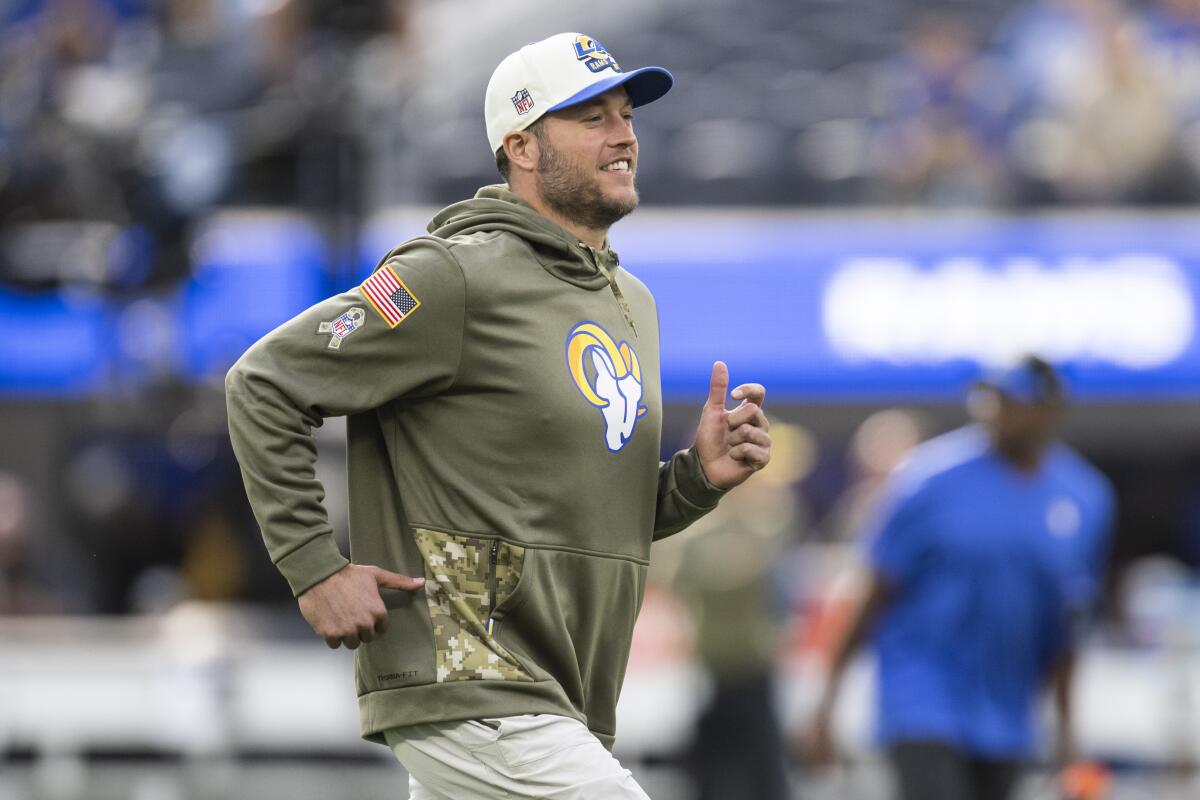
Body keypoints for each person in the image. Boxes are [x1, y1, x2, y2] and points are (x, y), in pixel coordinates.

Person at [224, 32, 771, 800]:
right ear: (521, 145)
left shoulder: (631, 302)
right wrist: (314, 567)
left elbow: (579, 518)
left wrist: (693, 481)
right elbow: (262, 383)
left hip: (562, 693)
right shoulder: (451, 275)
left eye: (626, 114)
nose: (623, 135)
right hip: (474, 676)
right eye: (590, 116)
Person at [808, 356, 1115, 800]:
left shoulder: (1083, 499)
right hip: (922, 698)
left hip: (1008, 710)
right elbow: (873, 591)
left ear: (1050, 409)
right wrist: (826, 701)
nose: (996, 411)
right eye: (991, 398)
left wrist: (1067, 734)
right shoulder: (927, 480)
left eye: (1014, 401)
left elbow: (1066, 623)